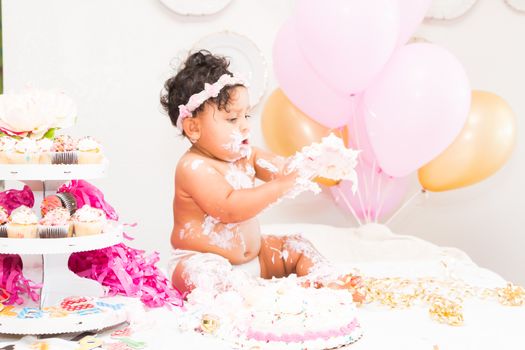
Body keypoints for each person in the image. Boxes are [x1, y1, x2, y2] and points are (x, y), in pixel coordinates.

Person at [161, 50, 362, 298]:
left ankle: (327, 281)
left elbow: (284, 170)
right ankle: (265, 295)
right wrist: (282, 186)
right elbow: (230, 208)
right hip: (203, 262)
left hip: (257, 259)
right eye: (232, 119)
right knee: (204, 276)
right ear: (193, 127)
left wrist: (312, 162)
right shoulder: (194, 167)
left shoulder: (247, 156)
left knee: (295, 245)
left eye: (246, 115)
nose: (245, 125)